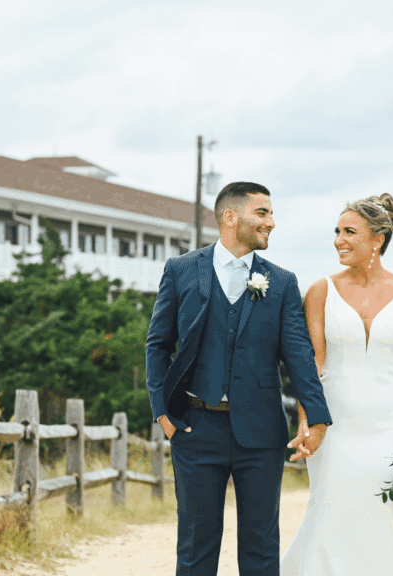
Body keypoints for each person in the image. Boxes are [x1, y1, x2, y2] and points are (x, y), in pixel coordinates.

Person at [146, 181, 332, 576]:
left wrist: (316, 416)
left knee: (261, 547)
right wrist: (162, 412)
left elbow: (299, 354)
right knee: (195, 545)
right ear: (231, 217)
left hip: (262, 431)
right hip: (194, 427)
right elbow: (158, 345)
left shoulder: (280, 281)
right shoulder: (180, 271)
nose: (272, 223)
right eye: (262, 213)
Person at [280, 193, 393, 575]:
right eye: (337, 231)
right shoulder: (320, 291)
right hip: (335, 421)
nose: (339, 240)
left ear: (378, 239)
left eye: (349, 232)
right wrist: (308, 420)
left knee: (389, 511)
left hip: (392, 420)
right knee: (333, 505)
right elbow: (311, 363)